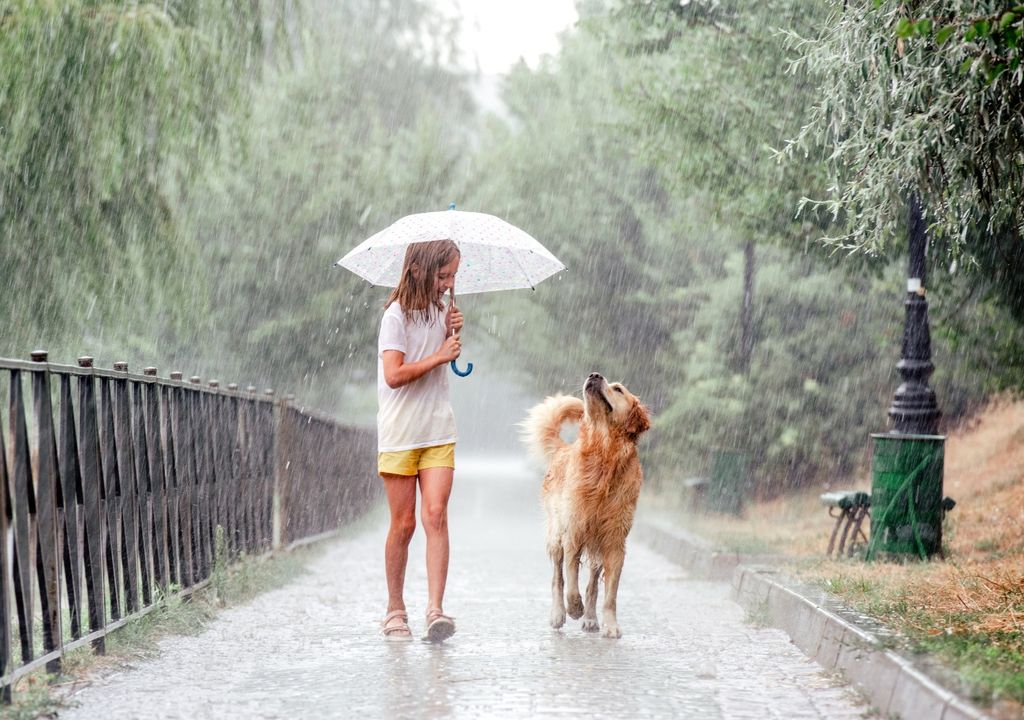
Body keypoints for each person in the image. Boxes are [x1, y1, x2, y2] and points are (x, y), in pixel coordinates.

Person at [376, 239, 463, 642]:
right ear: (419, 269)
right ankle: (395, 609)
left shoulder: (443, 311)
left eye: (452, 277)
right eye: (442, 275)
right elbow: (394, 375)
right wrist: (439, 355)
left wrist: (449, 334)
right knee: (404, 523)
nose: (448, 284)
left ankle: (435, 610)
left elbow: (443, 357)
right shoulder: (394, 316)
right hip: (399, 434)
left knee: (436, 515)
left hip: (437, 431)